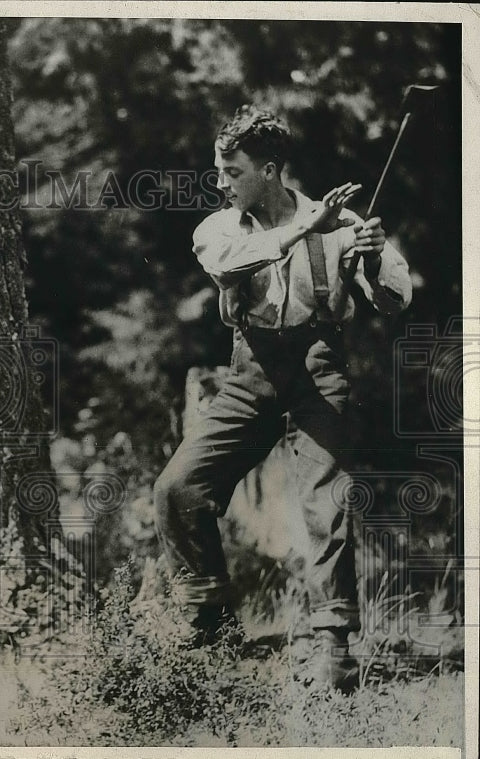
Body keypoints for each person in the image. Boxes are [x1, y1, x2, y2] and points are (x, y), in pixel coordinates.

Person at [147, 105, 412, 690]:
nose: (221, 182)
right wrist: (304, 229)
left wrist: (369, 253)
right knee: (179, 487)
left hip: (320, 372)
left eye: (231, 171)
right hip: (251, 374)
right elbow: (226, 267)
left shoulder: (341, 222)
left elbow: (396, 299)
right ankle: (210, 629)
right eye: (219, 170)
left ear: (268, 170)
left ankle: (335, 651)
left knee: (325, 506)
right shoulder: (220, 227)